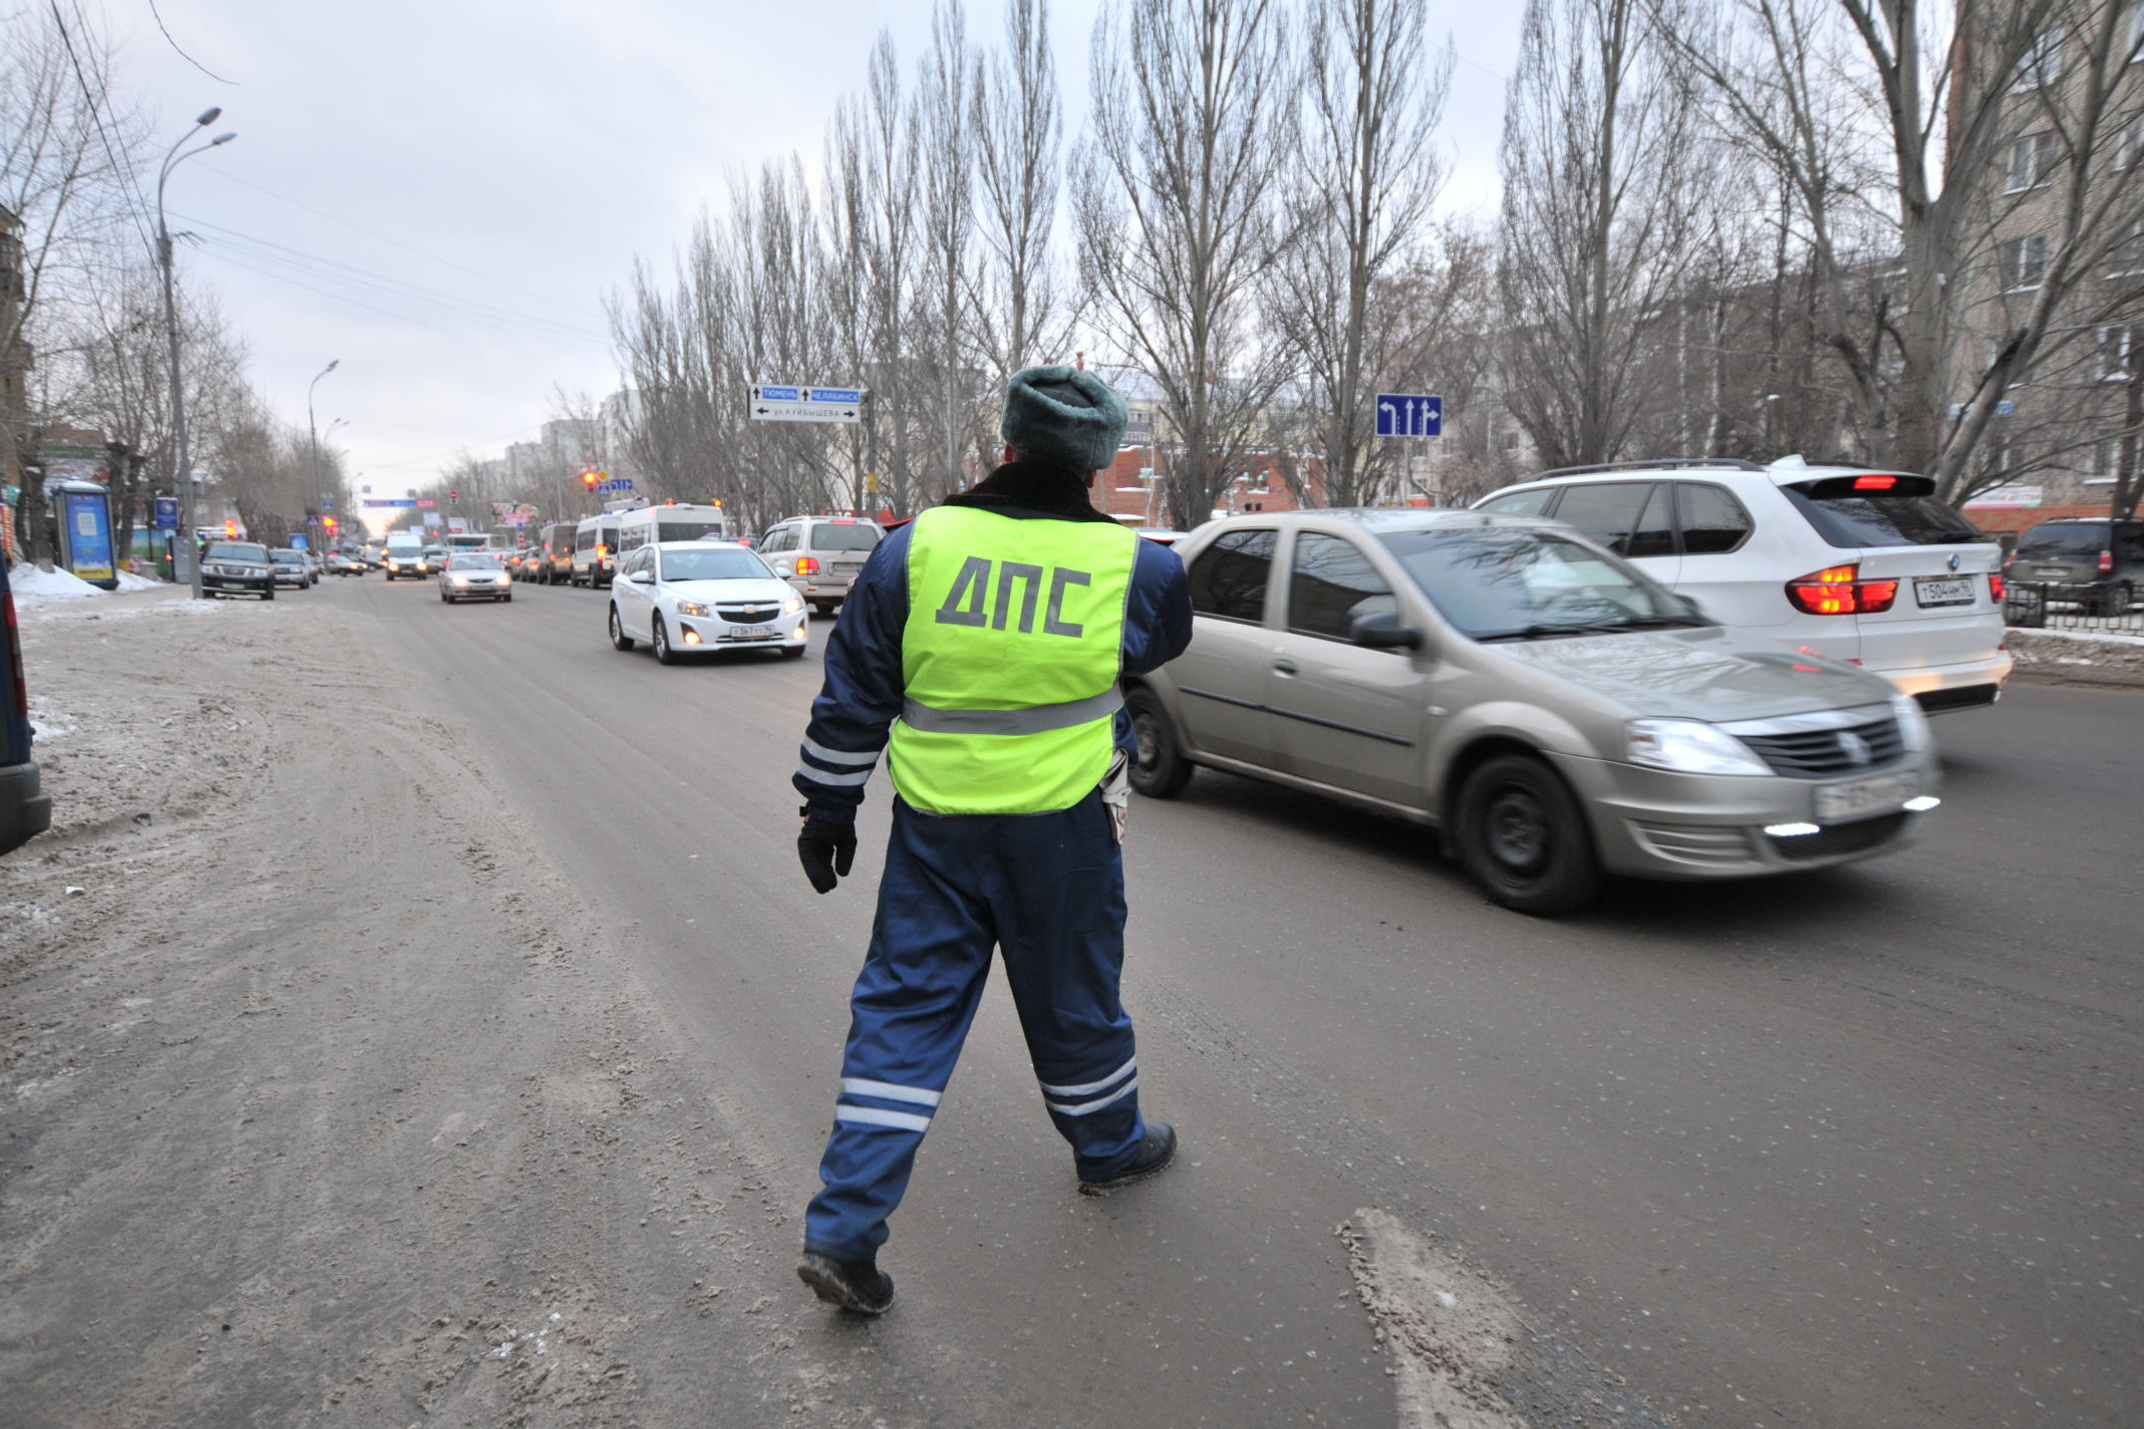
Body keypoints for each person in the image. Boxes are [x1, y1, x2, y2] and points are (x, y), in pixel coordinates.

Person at [789, 365, 1194, 1315]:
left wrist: (828, 810)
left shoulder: (912, 550)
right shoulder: (1141, 568)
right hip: (1067, 833)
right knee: (1076, 999)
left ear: (1003, 446)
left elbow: (854, 696)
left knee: (901, 1016)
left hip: (935, 835)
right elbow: (1154, 646)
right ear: (1098, 465)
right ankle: (1108, 1148)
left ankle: (843, 1232)